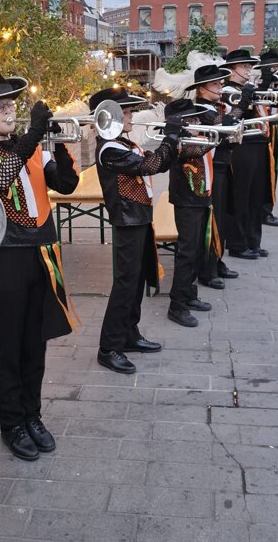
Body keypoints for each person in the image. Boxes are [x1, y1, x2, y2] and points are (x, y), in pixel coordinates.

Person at [0, 71, 79, 461]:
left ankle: (33, 415)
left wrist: (56, 146)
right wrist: (33, 136)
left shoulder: (31, 149)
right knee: (9, 345)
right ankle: (12, 423)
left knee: (35, 342)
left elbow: (68, 185)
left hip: (41, 253)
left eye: (10, 104)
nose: (9, 111)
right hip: (5, 258)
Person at [91, 87, 180, 374]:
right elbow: (149, 166)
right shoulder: (109, 148)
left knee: (137, 280)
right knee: (125, 285)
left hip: (139, 218)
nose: (131, 116)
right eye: (126, 112)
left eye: (128, 111)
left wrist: (172, 143)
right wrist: (171, 137)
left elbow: (158, 163)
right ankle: (109, 347)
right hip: (127, 221)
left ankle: (129, 334)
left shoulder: (123, 143)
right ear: (110, 117)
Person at [165, 97, 218, 328]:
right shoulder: (179, 142)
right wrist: (216, 130)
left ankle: (189, 293)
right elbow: (200, 148)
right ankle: (177, 305)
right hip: (186, 201)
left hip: (201, 199)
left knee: (196, 249)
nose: (197, 121)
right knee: (186, 252)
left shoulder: (194, 136)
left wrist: (210, 124)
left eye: (197, 117)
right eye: (193, 118)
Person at [187, 64, 238, 288]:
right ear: (202, 89)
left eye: (220, 83)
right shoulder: (200, 108)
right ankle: (207, 269)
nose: (220, 86)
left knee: (222, 216)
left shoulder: (215, 105)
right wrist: (243, 102)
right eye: (215, 84)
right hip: (210, 168)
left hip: (223, 164)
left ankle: (217, 260)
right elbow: (227, 125)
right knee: (212, 218)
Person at [221, 50, 271, 260]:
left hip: (259, 143)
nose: (249, 69)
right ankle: (237, 243)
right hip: (242, 146)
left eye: (250, 66)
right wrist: (247, 97)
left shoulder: (247, 88)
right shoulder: (227, 91)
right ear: (232, 69)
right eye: (244, 66)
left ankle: (253, 240)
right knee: (241, 196)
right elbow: (233, 118)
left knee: (256, 197)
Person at [254, 50, 278, 227]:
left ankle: (268, 209)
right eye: (273, 66)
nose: (277, 68)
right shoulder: (258, 83)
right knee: (264, 173)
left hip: (275, 128)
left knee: (273, 172)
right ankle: (261, 210)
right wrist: (267, 82)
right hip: (263, 129)